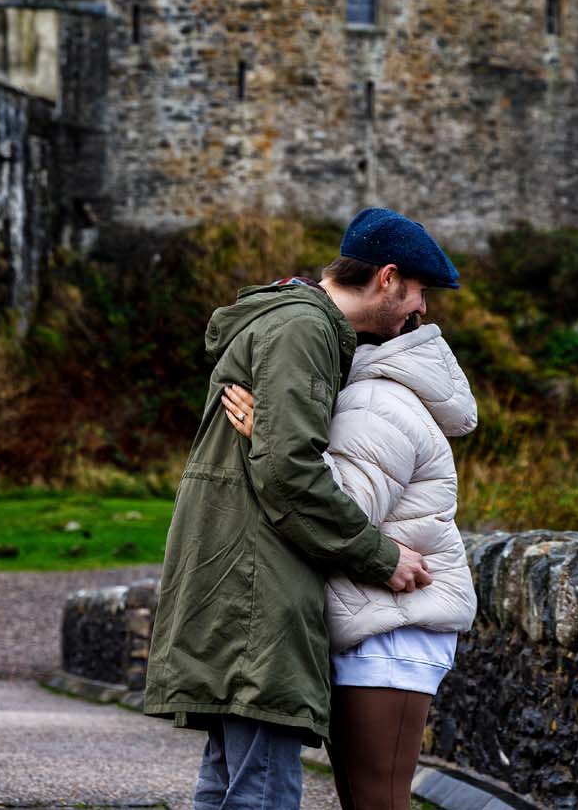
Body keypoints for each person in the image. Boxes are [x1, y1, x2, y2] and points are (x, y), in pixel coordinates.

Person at [143, 208, 461, 809]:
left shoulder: (292, 322)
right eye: (421, 291)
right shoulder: (304, 329)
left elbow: (281, 459)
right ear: (388, 278)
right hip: (259, 584)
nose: (422, 308)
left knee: (228, 783)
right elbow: (290, 474)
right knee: (260, 789)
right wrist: (381, 556)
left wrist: (268, 438)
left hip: (237, 572)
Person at [221, 315, 479, 809]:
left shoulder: (374, 401)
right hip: (379, 624)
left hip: (390, 631)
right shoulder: (375, 395)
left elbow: (345, 513)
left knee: (377, 801)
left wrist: (271, 439)